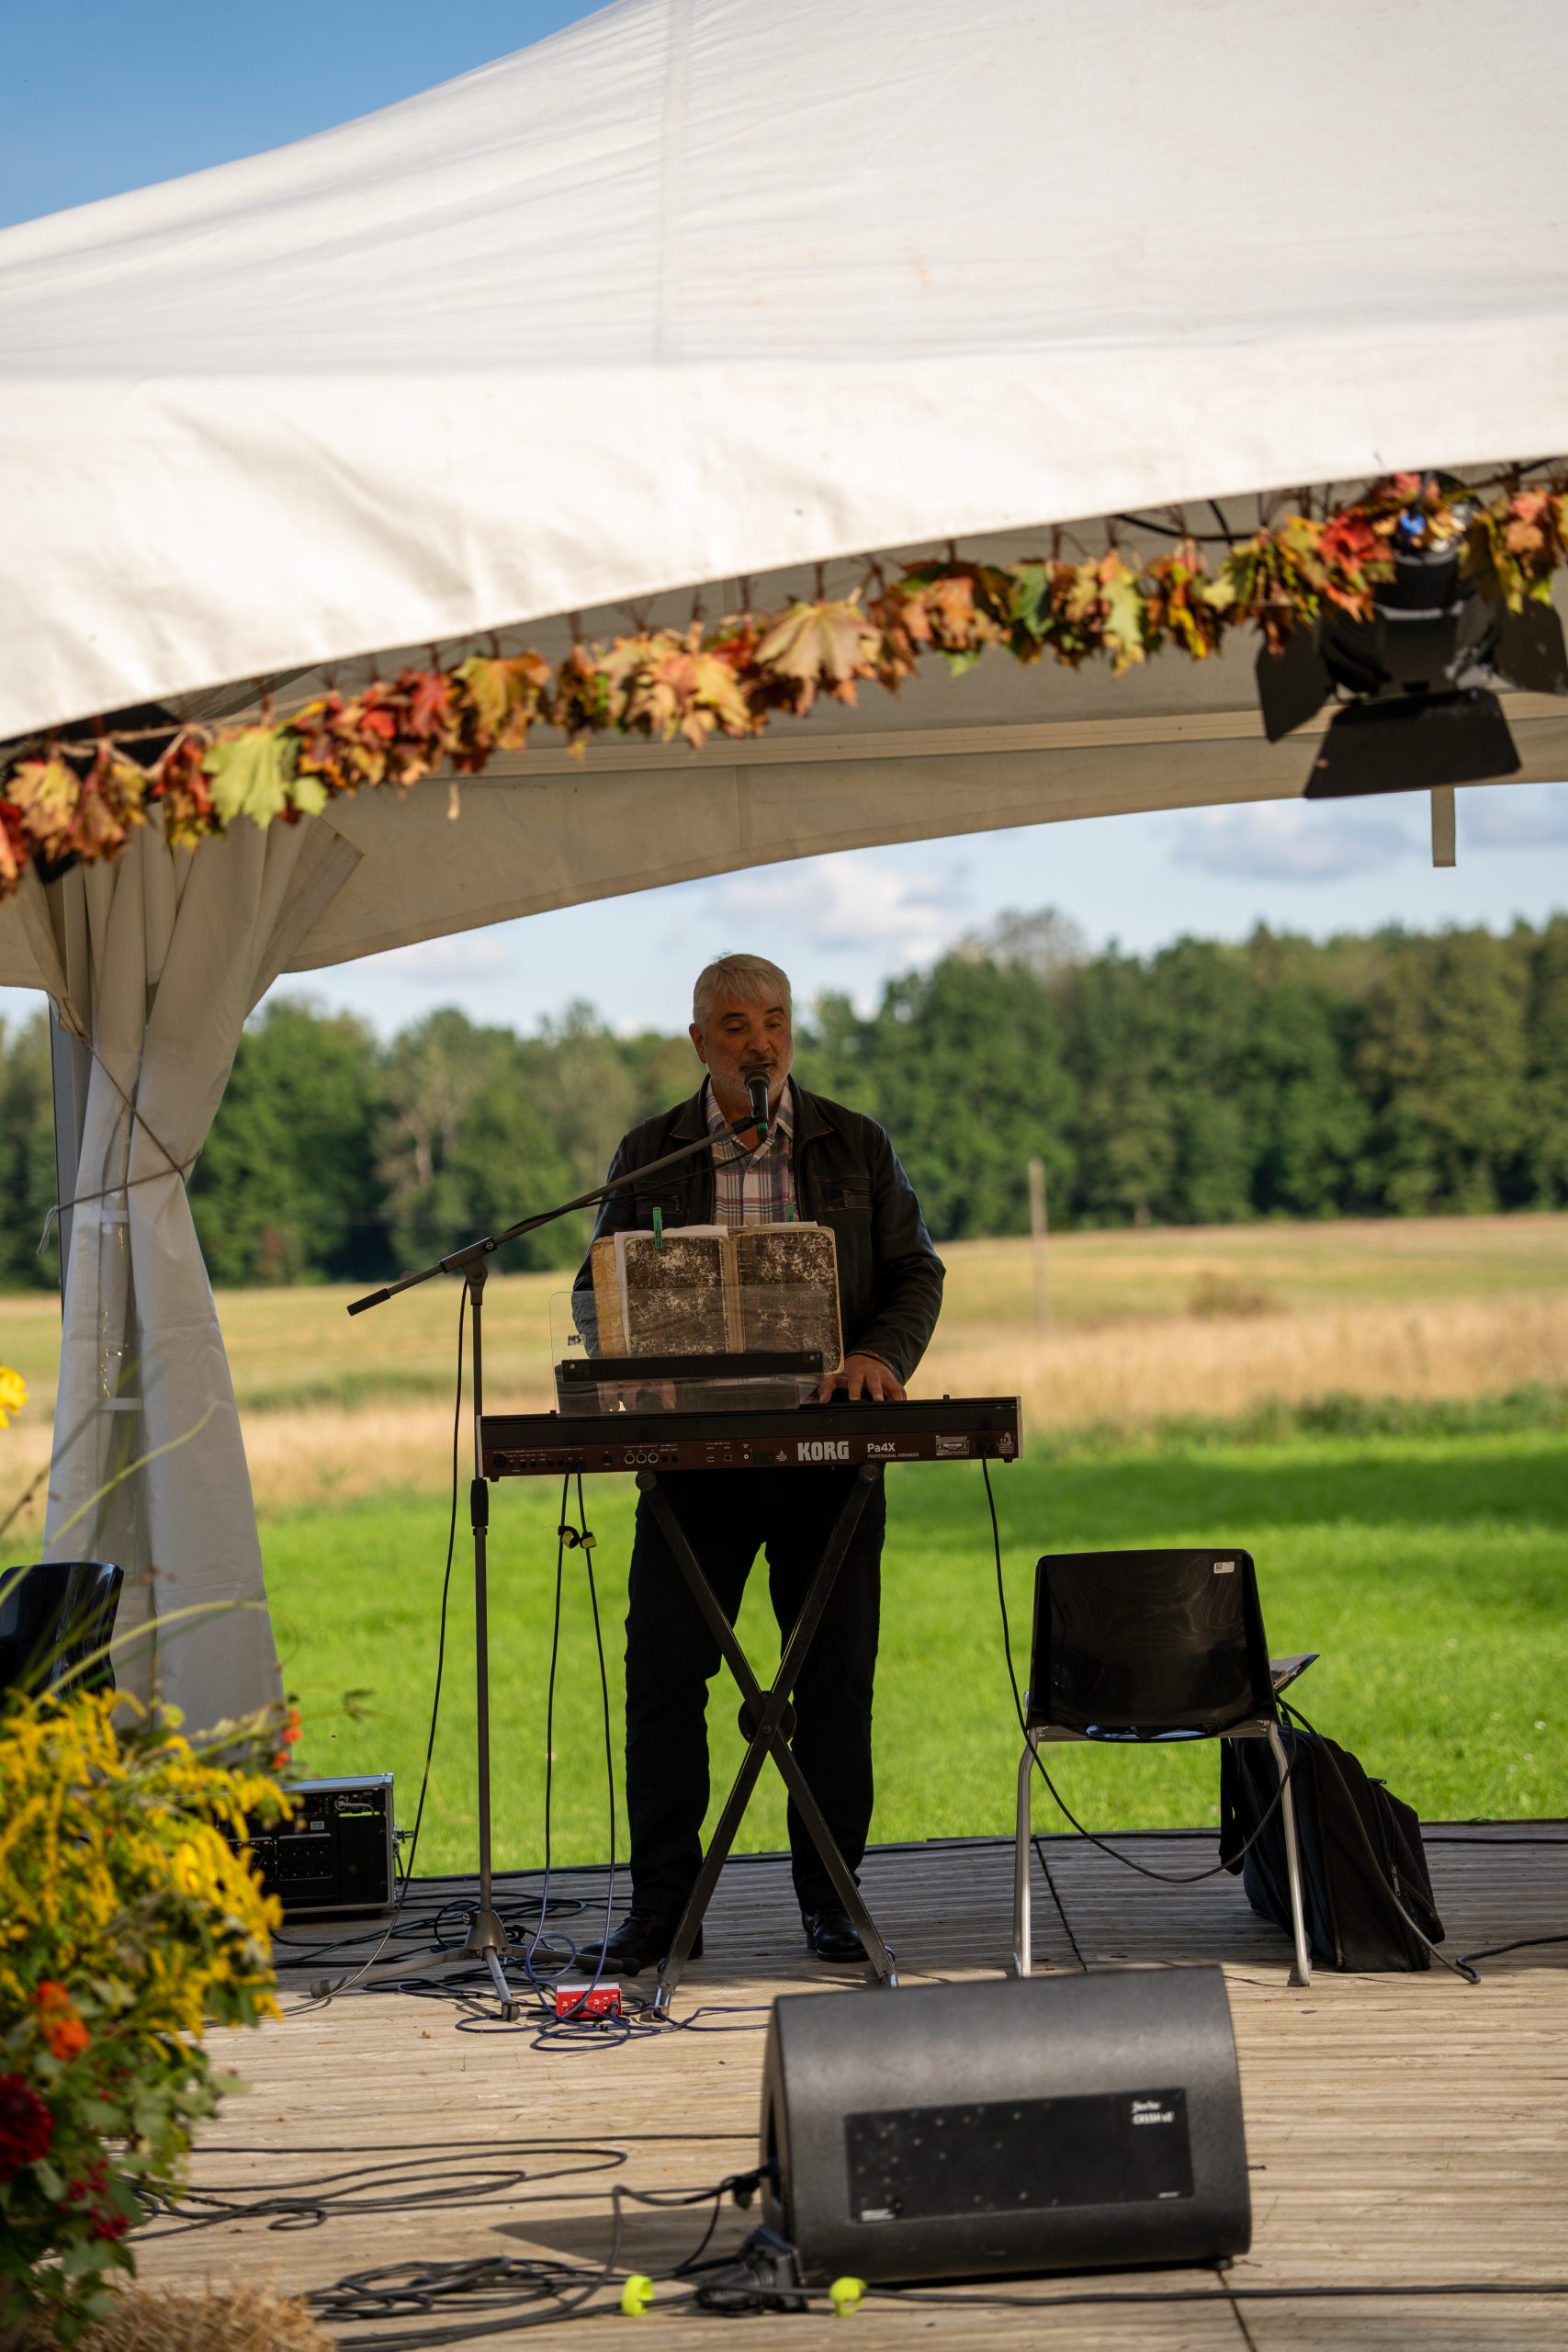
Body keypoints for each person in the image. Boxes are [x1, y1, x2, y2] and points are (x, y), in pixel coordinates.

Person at [576, 951, 944, 1971]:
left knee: (834, 1681)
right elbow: (593, 1288)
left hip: (828, 1456)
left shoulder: (853, 1143)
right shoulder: (649, 1151)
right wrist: (631, 1361)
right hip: (692, 1468)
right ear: (700, 1041)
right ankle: (663, 1910)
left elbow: (915, 1271)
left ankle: (832, 1901)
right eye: (736, 1026)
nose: (760, 1043)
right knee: (663, 1677)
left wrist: (878, 1356)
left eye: (775, 1021)